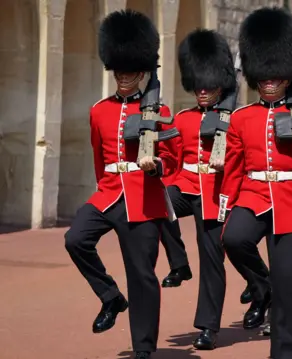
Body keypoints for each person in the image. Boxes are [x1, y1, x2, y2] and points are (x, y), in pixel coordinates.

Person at [63, 10, 178, 359]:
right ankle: (111, 296)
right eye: (119, 71)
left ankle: (144, 348)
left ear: (143, 72)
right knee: (76, 239)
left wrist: (156, 165)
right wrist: (106, 188)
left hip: (145, 198)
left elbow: (174, 159)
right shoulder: (99, 110)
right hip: (110, 192)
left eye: (131, 71)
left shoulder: (161, 110)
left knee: (142, 274)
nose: (124, 77)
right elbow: (99, 158)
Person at [218, 7, 292, 359]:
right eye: (264, 76)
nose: (269, 81)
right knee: (234, 239)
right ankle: (259, 285)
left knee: (289, 285)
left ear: (287, 75)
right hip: (252, 195)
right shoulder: (242, 117)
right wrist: (226, 204)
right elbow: (234, 166)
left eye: (276, 76)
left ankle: (284, 353)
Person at [156, 28, 238, 350]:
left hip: (216, 191)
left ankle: (208, 327)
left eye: (209, 86)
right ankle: (179, 263)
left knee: (212, 258)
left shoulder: (234, 118)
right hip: (187, 184)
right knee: (157, 202)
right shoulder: (183, 117)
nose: (202, 91)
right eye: (198, 85)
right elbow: (175, 160)